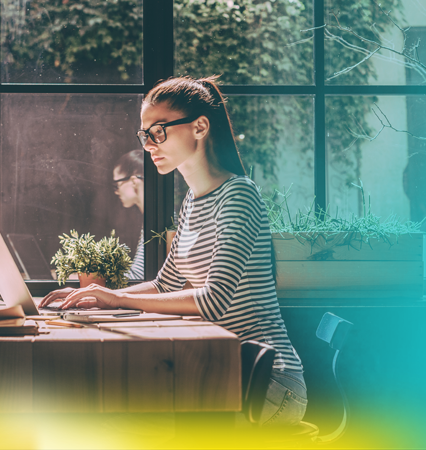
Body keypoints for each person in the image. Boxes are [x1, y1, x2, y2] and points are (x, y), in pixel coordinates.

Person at [41, 76, 307, 426]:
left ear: (199, 127)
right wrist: (96, 295)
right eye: (145, 134)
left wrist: (116, 299)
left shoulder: (238, 196)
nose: (149, 144)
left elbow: (213, 301)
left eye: (159, 131)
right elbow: (166, 284)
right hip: (222, 368)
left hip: (266, 382)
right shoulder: (192, 201)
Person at [112, 150, 145, 280]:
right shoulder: (151, 219)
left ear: (133, 181)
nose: (116, 192)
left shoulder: (156, 222)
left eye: (117, 184)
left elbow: (138, 277)